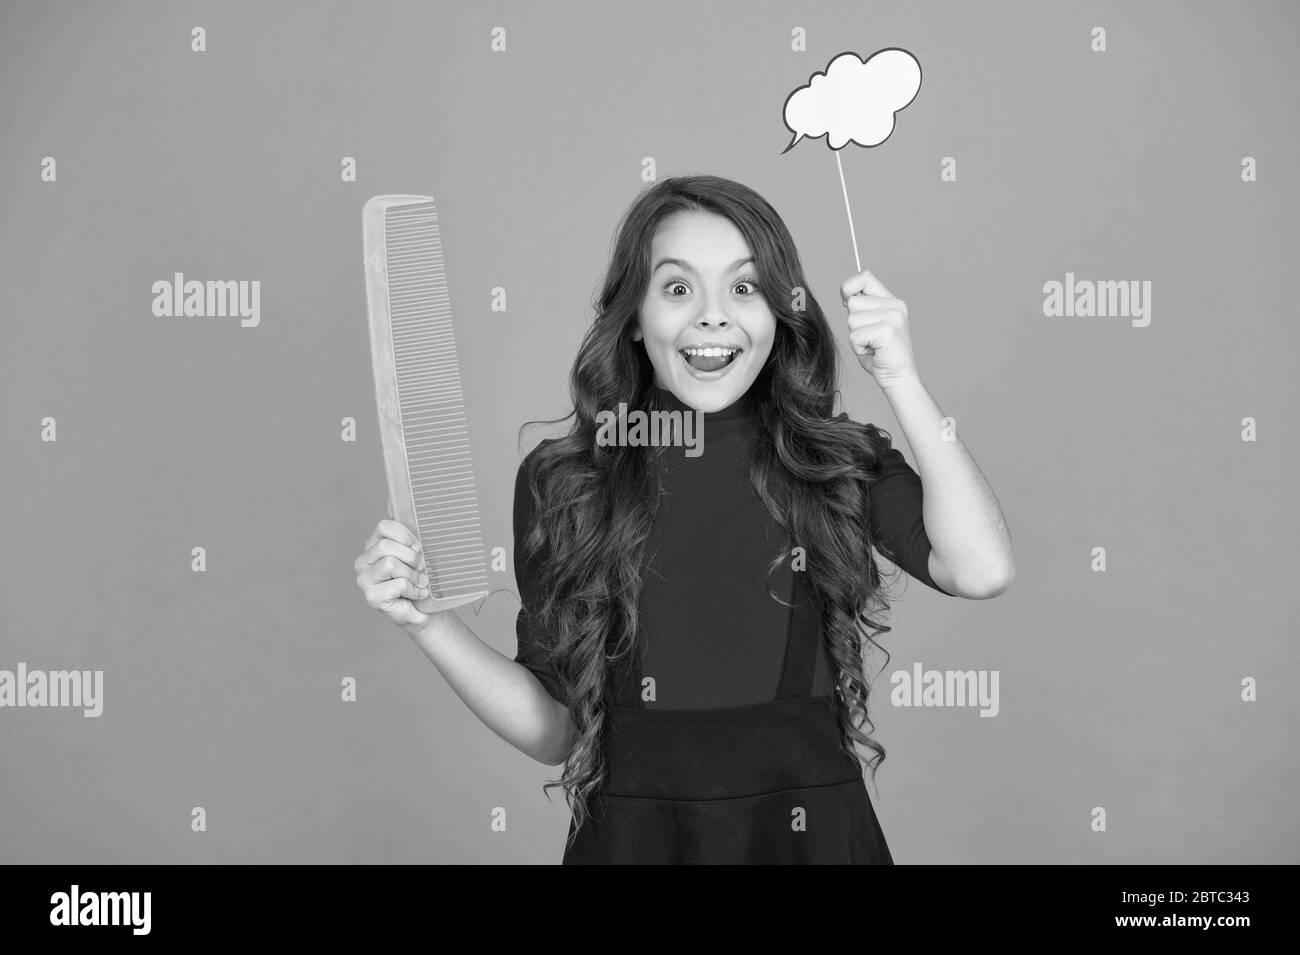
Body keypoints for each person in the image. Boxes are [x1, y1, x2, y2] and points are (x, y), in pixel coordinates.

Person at [355, 174, 1015, 864]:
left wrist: (902, 377)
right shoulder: (568, 481)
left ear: (780, 312)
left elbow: (983, 567)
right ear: (634, 319)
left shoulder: (833, 459)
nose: (712, 315)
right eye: (677, 288)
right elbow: (555, 730)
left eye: (744, 286)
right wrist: (426, 621)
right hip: (636, 842)